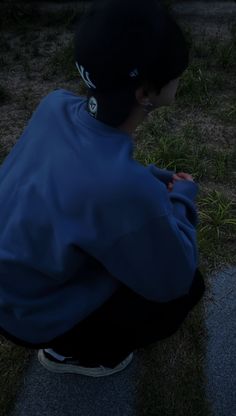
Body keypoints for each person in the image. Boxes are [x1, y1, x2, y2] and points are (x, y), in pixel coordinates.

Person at [0, 0, 205, 377]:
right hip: (28, 317)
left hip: (11, 288)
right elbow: (172, 278)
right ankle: (79, 353)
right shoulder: (121, 189)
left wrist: (149, 178)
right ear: (146, 93)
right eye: (176, 74)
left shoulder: (54, 106)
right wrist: (182, 199)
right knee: (188, 289)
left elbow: (88, 175)